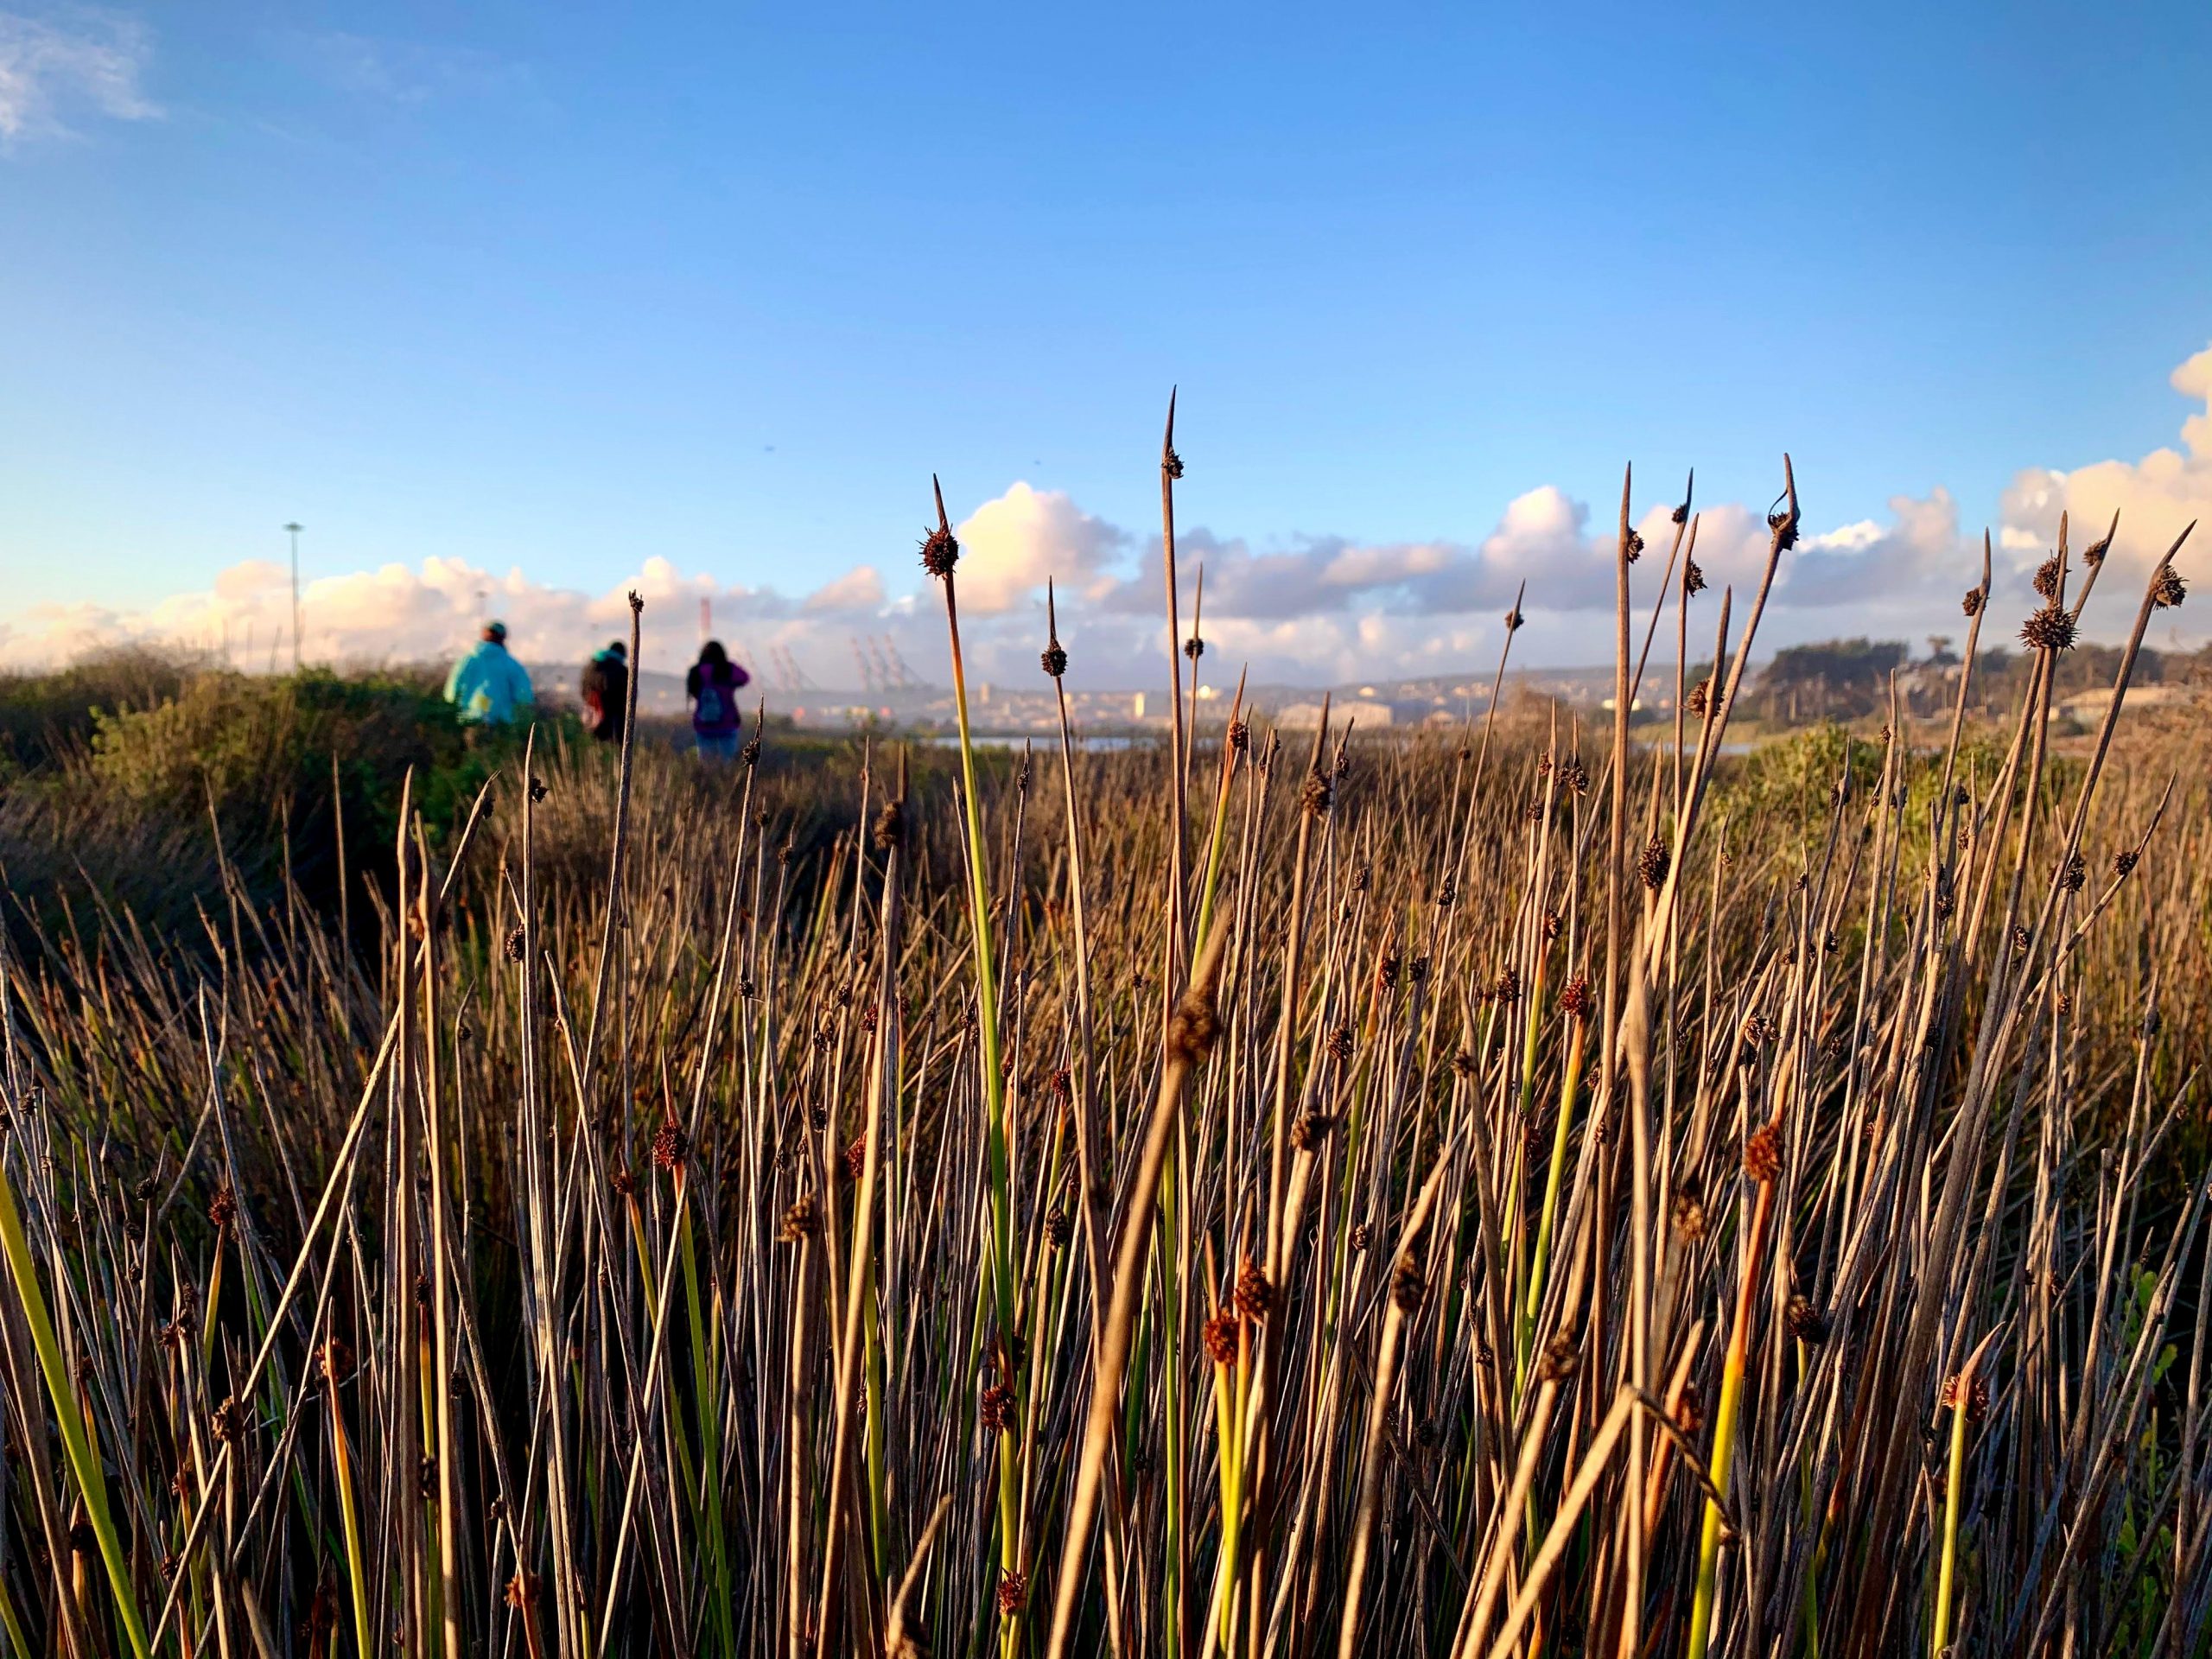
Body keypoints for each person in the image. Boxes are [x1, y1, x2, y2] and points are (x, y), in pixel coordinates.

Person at [443, 621, 535, 728]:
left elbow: (451, 693)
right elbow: (524, 696)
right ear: (503, 638)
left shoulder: (467, 660)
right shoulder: (512, 665)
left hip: (468, 719)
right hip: (501, 722)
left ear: (483, 635)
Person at [686, 640, 751, 760]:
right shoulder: (727, 669)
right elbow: (745, 677)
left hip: (703, 723)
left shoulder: (696, 671)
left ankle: (707, 779)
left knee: (706, 762)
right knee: (728, 761)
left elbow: (693, 691)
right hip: (728, 722)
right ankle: (727, 779)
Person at [580, 639, 629, 743]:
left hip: (591, 715)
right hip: (613, 719)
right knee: (613, 749)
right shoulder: (621, 670)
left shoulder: (590, 667)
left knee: (591, 746)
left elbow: (583, 690)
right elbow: (627, 697)